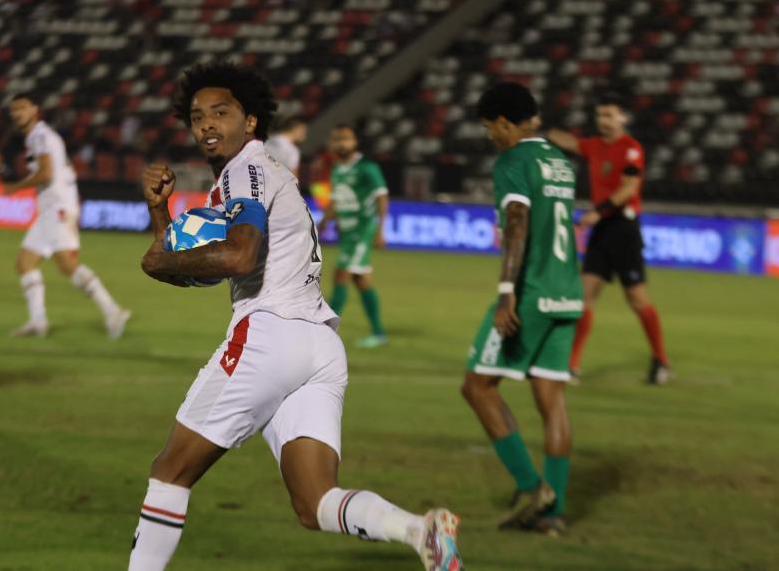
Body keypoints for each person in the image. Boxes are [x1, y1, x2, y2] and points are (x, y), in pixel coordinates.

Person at [132, 61, 462, 571]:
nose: (207, 125)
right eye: (197, 117)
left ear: (251, 121)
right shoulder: (259, 174)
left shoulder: (248, 168)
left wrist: (160, 259)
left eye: (221, 112)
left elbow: (238, 257)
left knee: (169, 472)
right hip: (319, 347)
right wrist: (161, 215)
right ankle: (420, 531)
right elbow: (195, 262)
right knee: (315, 503)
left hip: (270, 336)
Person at [461, 82, 582, 537]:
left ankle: (534, 489)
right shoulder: (559, 161)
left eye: (491, 127)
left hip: (530, 292)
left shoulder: (514, 160)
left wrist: (508, 291)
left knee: (477, 386)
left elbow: (517, 221)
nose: (491, 136)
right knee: (552, 401)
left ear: (506, 124)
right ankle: (553, 514)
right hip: (568, 293)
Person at [547, 94, 670, 384]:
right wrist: (539, 130)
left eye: (610, 115)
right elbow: (570, 142)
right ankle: (572, 366)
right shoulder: (594, 146)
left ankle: (661, 361)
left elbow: (629, 188)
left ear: (623, 118)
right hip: (603, 230)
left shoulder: (631, 149)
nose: (604, 121)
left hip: (623, 230)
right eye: (601, 115)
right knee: (584, 296)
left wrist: (596, 213)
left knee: (637, 299)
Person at [5, 93, 130, 339]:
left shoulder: (40, 136)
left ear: (34, 109)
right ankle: (38, 321)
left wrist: (15, 187)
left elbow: (46, 173)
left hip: (57, 208)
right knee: (25, 263)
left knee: (66, 265)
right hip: (51, 209)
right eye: (14, 109)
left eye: (22, 108)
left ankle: (113, 310)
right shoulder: (38, 136)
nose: (17, 113)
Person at [318, 124, 389, 348]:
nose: (342, 143)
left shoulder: (367, 167)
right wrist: (322, 223)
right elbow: (337, 201)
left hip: (363, 229)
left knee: (341, 275)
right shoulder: (337, 169)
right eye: (337, 139)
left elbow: (382, 197)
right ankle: (379, 333)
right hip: (348, 232)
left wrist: (380, 230)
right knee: (362, 281)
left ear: (354, 142)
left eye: (346, 139)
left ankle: (324, 332)